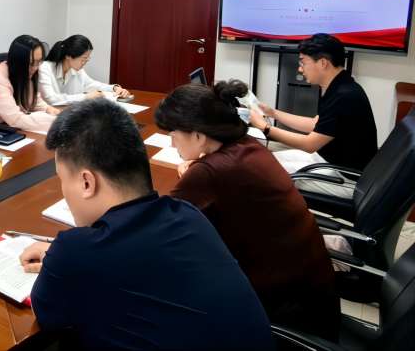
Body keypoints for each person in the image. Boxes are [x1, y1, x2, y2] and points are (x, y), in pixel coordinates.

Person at [19, 99, 273, 350]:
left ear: (87, 182)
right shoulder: (188, 214)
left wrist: (60, 258)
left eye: (62, 179)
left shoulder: (74, 251)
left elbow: (50, 318)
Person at [154, 80, 340, 339]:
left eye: (173, 135)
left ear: (198, 135)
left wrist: (197, 172)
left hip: (281, 310)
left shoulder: (210, 172)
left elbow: (157, 231)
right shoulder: (247, 145)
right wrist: (198, 168)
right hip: (313, 294)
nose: (173, 144)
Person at [249, 34, 377, 196]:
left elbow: (310, 144)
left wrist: (265, 128)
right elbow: (314, 124)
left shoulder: (344, 96)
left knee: (258, 168)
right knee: (264, 159)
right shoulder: (341, 85)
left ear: (323, 63)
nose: (300, 69)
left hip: (345, 179)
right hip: (329, 162)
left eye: (303, 62)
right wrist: (273, 113)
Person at [0, 35, 61, 133]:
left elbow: (33, 101)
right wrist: (57, 124)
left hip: (6, 128)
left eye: (39, 62)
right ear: (18, 62)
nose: (35, 68)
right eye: (31, 63)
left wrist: (48, 109)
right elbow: (16, 119)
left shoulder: (22, 73)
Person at [38, 34, 131, 105]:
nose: (85, 62)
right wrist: (85, 97)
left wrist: (114, 88)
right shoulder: (45, 68)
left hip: (68, 113)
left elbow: (92, 84)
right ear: (68, 56)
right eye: (83, 59)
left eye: (87, 59)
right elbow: (51, 99)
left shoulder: (76, 70)